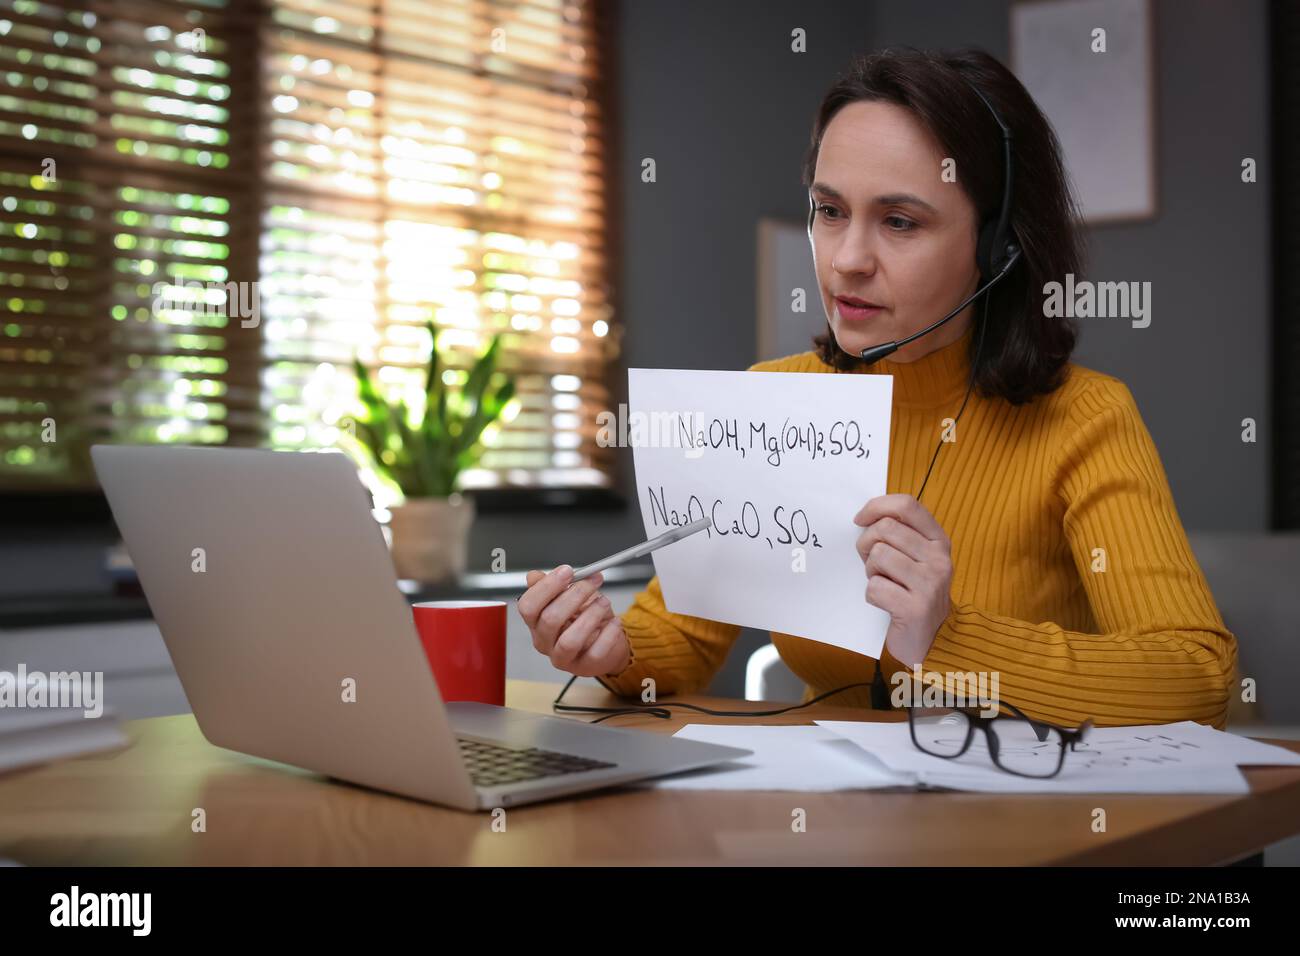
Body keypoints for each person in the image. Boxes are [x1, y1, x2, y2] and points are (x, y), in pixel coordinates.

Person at [516, 48, 1237, 730]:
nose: (847, 260)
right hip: (826, 827)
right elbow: (679, 636)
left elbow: (1198, 680)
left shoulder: (1085, 418)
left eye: (898, 221)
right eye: (830, 211)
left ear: (996, 250)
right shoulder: (773, 402)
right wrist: (613, 653)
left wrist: (951, 637)